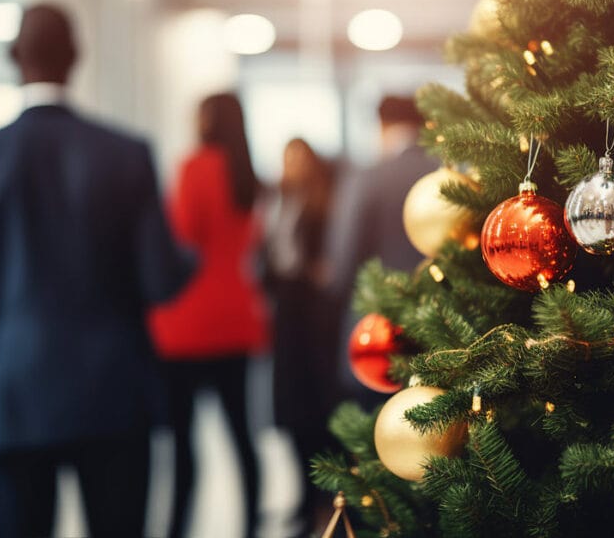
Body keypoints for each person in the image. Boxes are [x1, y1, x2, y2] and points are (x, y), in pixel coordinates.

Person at [0, 3, 194, 538]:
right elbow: (160, 278)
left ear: (12, 58)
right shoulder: (126, 153)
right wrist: (192, 258)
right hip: (114, 390)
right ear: (77, 58)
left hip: (13, 387)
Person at [147, 92, 269, 538]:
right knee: (242, 434)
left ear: (207, 121)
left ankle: (177, 527)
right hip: (237, 316)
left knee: (183, 441)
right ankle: (252, 524)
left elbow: (181, 239)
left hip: (186, 323)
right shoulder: (248, 177)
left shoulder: (193, 167)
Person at [324, 95, 435, 405]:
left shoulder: (367, 179)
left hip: (379, 327)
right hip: (440, 324)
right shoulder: (443, 174)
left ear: (382, 125)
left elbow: (344, 258)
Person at [263, 138, 335, 537]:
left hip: (312, 314)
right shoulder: (278, 200)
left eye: (298, 157)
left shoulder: (323, 202)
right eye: (286, 157)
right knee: (289, 409)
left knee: (313, 408)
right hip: (285, 310)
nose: (291, 165)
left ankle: (322, 500)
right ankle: (303, 496)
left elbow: (326, 262)